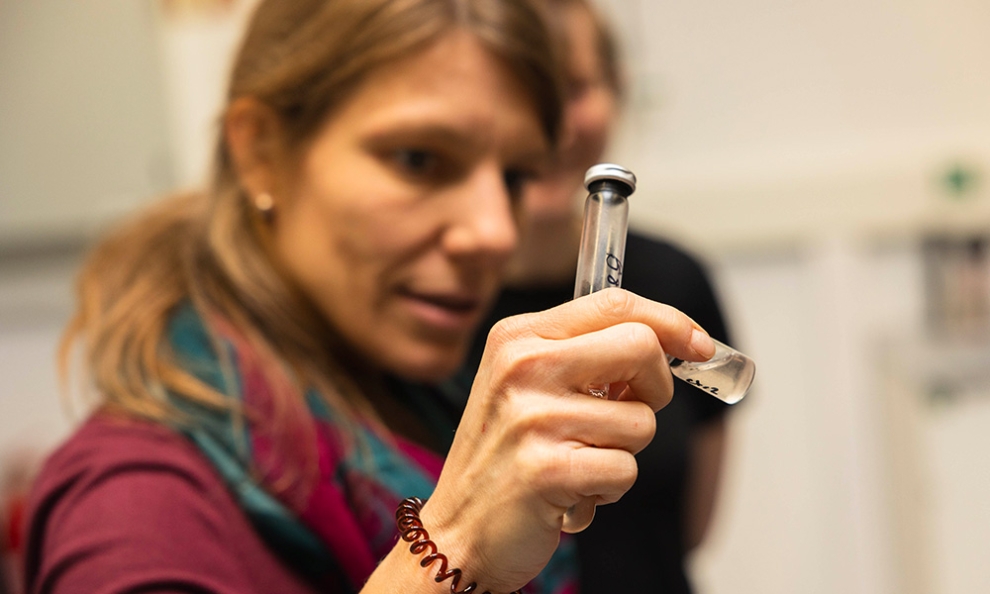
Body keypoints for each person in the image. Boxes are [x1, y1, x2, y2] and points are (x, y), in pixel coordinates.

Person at [21, 1, 718, 593]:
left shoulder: (412, 401)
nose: (492, 232)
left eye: (515, 176)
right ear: (261, 151)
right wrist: (455, 545)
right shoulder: (135, 504)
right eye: (418, 158)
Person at [462, 1, 735, 592]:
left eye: (576, 87)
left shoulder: (679, 282)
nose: (555, 123)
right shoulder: (436, 307)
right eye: (524, 88)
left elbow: (692, 528)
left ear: (618, 92)